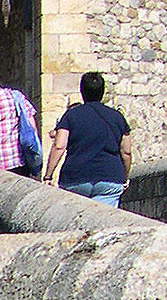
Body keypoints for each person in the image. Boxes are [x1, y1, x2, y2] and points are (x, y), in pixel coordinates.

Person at [44, 71, 132, 208]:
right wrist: (125, 177)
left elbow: (59, 146)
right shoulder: (117, 117)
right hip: (110, 177)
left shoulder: (71, 116)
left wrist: (48, 176)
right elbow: (126, 152)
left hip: (76, 178)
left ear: (82, 91)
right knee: (104, 223)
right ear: (102, 92)